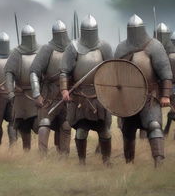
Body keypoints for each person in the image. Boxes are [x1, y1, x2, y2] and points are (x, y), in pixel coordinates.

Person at [115, 14, 172, 167]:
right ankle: (129, 163)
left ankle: (158, 162)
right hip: (128, 97)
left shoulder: (154, 46)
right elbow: (114, 74)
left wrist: (165, 95)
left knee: (154, 125)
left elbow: (165, 73)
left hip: (150, 96)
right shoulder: (121, 48)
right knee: (128, 130)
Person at [60, 14, 113, 165]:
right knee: (81, 131)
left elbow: (113, 70)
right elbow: (64, 71)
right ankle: (82, 162)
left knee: (105, 131)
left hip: (99, 95)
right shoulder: (73, 48)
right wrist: (64, 90)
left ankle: (106, 160)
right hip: (80, 96)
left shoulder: (105, 47)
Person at [30, 20, 71, 156]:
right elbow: (34, 72)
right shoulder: (47, 49)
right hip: (49, 93)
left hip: (67, 93)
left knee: (65, 125)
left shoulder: (72, 48)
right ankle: (42, 155)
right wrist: (37, 94)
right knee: (45, 123)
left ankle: (64, 155)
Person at [5, 25, 40, 150]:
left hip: (37, 95)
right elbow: (9, 74)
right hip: (21, 97)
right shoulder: (16, 53)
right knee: (24, 128)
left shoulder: (41, 51)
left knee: (39, 124)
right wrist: (11, 92)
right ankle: (26, 154)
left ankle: (42, 152)